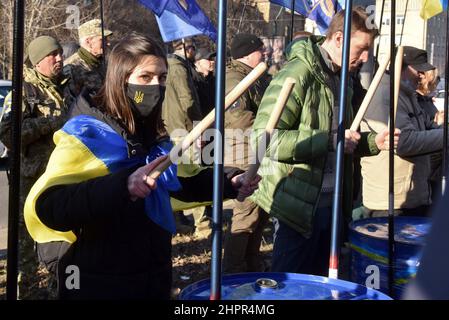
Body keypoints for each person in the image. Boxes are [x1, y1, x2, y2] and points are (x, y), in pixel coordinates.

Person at [24, 33, 260, 300]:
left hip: (151, 276)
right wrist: (123, 185)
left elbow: (181, 181)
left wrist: (230, 181)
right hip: (98, 282)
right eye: (145, 77)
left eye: (161, 78)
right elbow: (50, 206)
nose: (155, 87)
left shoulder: (151, 135)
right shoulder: (87, 133)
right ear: (120, 79)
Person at [250, 7, 396, 276]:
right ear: (338, 38)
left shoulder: (343, 78)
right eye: (362, 48)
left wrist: (372, 142)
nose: (365, 58)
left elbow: (341, 140)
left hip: (333, 206)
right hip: (299, 211)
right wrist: (330, 140)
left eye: (369, 50)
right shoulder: (297, 73)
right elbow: (263, 142)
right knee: (292, 287)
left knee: (322, 289)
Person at [0, 35, 73, 299]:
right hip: (31, 179)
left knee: (62, 234)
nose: (59, 58)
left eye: (60, 53)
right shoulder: (22, 91)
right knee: (25, 240)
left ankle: (59, 288)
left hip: (63, 175)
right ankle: (25, 291)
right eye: (52, 55)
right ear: (38, 60)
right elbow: (8, 133)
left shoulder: (67, 87)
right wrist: (51, 123)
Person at [360, 46, 447, 218]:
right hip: (390, 202)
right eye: (418, 71)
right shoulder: (387, 94)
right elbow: (404, 141)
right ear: (402, 67)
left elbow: (424, 128)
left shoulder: (405, 94)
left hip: (408, 196)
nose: (421, 76)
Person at [222, 34, 270, 274]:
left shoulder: (253, 75)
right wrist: (271, 132)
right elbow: (239, 119)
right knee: (246, 213)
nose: (265, 53)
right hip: (241, 150)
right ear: (249, 53)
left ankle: (251, 264)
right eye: (261, 50)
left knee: (259, 213)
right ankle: (233, 270)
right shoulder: (235, 78)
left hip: (254, 147)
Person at [63, 19, 113, 96]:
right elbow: (71, 104)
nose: (108, 43)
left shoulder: (102, 62)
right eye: (103, 39)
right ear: (88, 42)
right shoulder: (72, 68)